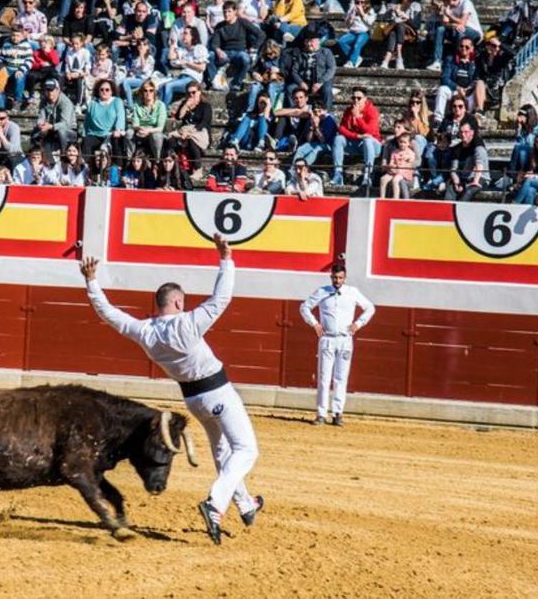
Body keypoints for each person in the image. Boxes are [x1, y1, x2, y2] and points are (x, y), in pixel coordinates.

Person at [81, 234, 264, 545]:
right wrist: (226, 258)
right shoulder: (189, 323)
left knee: (222, 452)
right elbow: (222, 298)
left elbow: (109, 314)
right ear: (179, 302)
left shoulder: (145, 331)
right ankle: (215, 504)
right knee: (246, 450)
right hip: (218, 392)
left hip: (192, 399)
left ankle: (245, 504)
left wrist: (92, 282)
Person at [299, 264, 375, 427]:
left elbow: (370, 308)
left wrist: (358, 324)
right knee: (324, 377)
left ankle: (337, 413)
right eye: (335, 277)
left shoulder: (352, 292)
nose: (337, 280)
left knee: (341, 377)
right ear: (331, 276)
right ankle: (321, 413)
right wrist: (315, 324)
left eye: (340, 278)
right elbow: (304, 307)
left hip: (345, 338)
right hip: (327, 338)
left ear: (344, 278)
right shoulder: (322, 291)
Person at [209, 2, 265, 93]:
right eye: (224, 12)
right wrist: (218, 50)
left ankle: (236, 84)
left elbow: (261, 34)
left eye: (229, 11)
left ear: (235, 12)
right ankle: (213, 80)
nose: (226, 14)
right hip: (225, 52)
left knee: (246, 59)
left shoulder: (242, 22)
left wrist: (254, 47)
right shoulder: (220, 26)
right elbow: (214, 43)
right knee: (210, 55)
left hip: (240, 52)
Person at [332, 87, 381, 187]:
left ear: (365, 99)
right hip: (356, 142)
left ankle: (368, 175)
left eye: (359, 98)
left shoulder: (372, 111)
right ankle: (338, 173)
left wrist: (358, 117)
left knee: (367, 140)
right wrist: (357, 136)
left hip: (373, 145)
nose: (356, 100)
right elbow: (341, 128)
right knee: (338, 139)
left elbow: (370, 132)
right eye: (353, 98)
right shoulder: (349, 110)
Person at [426, 0, 481, 73]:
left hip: (473, 31)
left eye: (444, 0)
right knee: (440, 30)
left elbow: (463, 22)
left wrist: (449, 15)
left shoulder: (466, 3)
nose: (443, 2)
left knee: (459, 31)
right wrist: (448, 18)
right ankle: (437, 62)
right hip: (456, 29)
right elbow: (445, 24)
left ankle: (457, 62)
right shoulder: (448, 6)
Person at [164, 81, 211, 174]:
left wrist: (189, 133)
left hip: (199, 131)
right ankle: (172, 164)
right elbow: (178, 117)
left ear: (199, 92)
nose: (191, 95)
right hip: (183, 130)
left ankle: (198, 169)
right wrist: (186, 106)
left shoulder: (205, 105)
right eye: (189, 93)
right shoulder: (184, 103)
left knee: (191, 141)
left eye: (194, 92)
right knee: (170, 139)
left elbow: (204, 123)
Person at [432, 36, 478, 123]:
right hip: (454, 90)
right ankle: (438, 119)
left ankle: (467, 120)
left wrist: (468, 89)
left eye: (467, 47)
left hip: (468, 92)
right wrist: (457, 88)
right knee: (442, 89)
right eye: (461, 46)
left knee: (476, 94)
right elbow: (445, 78)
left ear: (472, 49)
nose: (463, 49)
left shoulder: (475, 62)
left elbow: (476, 79)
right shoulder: (451, 59)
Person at [283, 35, 335, 110]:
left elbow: (331, 69)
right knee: (290, 88)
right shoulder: (301, 54)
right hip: (304, 81)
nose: (309, 44)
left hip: (320, 81)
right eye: (307, 41)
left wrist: (320, 82)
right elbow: (294, 71)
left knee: (327, 89)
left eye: (311, 41)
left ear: (318, 42)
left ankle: (327, 113)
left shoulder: (326, 52)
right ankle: (293, 113)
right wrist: (300, 82)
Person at [378, 0, 422, 71]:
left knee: (399, 25)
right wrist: (389, 11)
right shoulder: (395, 3)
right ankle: (399, 58)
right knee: (395, 30)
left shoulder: (415, 5)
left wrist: (405, 17)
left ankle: (387, 59)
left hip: (409, 33)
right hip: (393, 30)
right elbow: (383, 18)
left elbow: (416, 25)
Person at [81, 79, 126, 162]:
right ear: (98, 92)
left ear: (111, 91)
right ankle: (86, 168)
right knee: (86, 142)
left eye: (107, 90)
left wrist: (118, 129)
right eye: (101, 90)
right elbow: (86, 122)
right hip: (95, 134)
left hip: (110, 134)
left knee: (116, 141)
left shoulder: (117, 102)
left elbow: (120, 117)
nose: (104, 92)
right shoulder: (92, 104)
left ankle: (118, 168)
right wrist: (84, 135)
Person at [32, 78, 77, 154]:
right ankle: (44, 158)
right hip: (51, 128)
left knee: (61, 131)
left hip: (69, 130)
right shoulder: (44, 101)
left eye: (52, 90)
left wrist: (50, 126)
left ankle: (64, 155)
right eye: (47, 90)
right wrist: (40, 125)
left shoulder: (66, 103)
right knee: (35, 132)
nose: (49, 92)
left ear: (58, 90)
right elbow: (41, 116)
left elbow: (65, 124)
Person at [447, 120, 488, 202]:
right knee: (450, 189)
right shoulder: (457, 148)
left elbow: (479, 164)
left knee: (468, 192)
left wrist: (475, 181)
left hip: (480, 177)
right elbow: (454, 169)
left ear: (472, 132)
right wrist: (457, 183)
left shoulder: (478, 144)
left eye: (466, 132)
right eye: (461, 132)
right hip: (464, 178)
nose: (463, 134)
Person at [128, 79, 166, 159]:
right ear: (142, 93)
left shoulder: (160, 105)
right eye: (145, 91)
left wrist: (148, 131)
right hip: (140, 130)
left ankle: (157, 160)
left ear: (154, 92)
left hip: (153, 131)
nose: (148, 93)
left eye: (151, 90)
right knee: (129, 133)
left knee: (157, 136)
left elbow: (160, 127)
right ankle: (129, 159)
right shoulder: (137, 105)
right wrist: (140, 129)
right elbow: (135, 124)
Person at [336, 0, 374, 68]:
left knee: (357, 44)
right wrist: (351, 17)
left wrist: (362, 13)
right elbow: (347, 25)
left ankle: (352, 62)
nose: (359, 4)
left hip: (364, 33)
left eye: (362, 2)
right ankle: (357, 58)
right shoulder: (352, 9)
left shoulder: (370, 10)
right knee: (340, 41)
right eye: (358, 2)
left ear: (366, 2)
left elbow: (370, 22)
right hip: (353, 33)